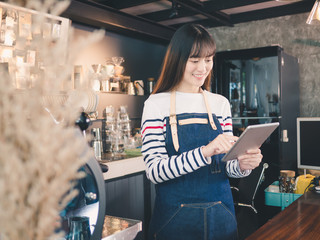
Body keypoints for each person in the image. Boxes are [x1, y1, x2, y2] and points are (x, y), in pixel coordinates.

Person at [141, 24, 262, 240]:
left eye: (208, 60)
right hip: (174, 220)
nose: (202, 68)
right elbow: (155, 171)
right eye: (194, 60)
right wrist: (205, 152)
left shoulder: (220, 104)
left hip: (221, 216)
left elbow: (226, 166)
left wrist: (243, 166)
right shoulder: (155, 104)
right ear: (177, 59)